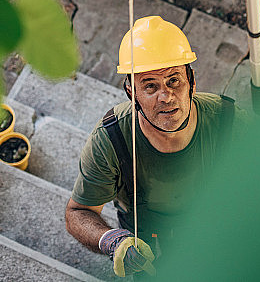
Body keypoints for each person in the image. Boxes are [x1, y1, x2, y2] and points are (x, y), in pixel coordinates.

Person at [65, 16, 242, 277]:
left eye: (174, 80)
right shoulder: (110, 139)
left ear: (191, 81)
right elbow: (78, 212)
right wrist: (112, 241)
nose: (166, 96)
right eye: (150, 86)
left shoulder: (228, 121)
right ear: (131, 92)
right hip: (142, 233)